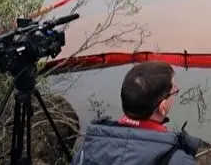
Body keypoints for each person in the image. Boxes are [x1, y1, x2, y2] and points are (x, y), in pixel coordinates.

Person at [71, 61, 202, 164]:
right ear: (162, 107)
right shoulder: (176, 159)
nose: (175, 92)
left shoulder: (88, 149)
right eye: (174, 91)